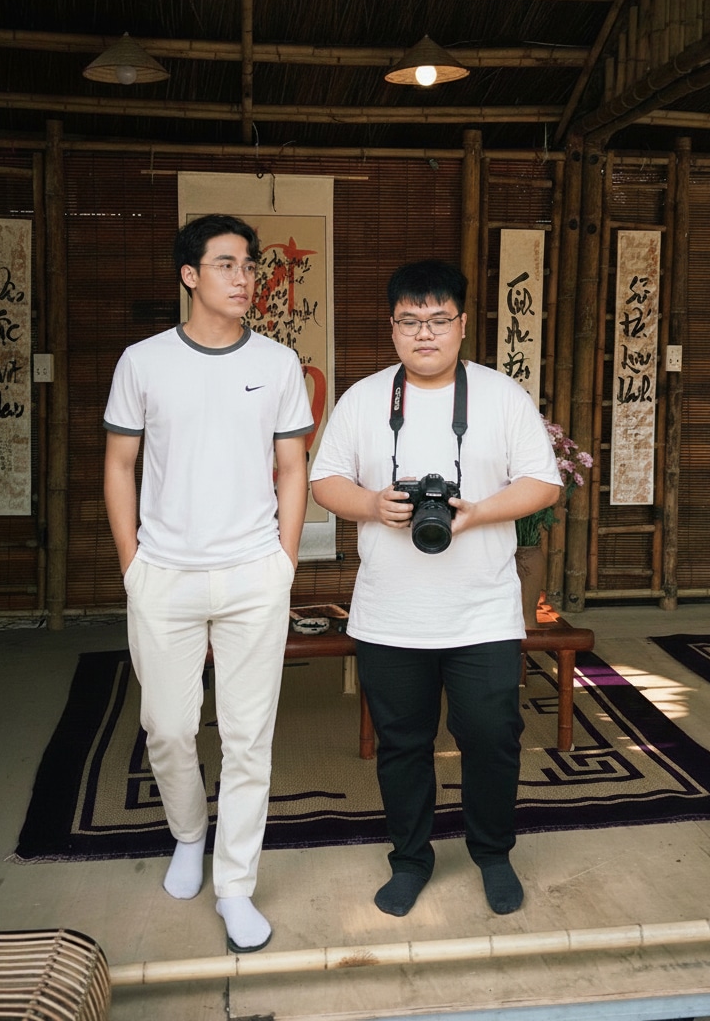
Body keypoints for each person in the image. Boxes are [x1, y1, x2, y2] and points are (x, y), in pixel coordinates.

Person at [310, 259, 561, 918]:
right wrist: (372, 504)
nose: (425, 332)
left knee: (492, 737)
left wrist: (478, 513)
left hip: (482, 613)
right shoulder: (363, 398)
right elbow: (324, 481)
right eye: (410, 320)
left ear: (462, 324)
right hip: (390, 615)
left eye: (438, 319)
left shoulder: (501, 396)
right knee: (402, 746)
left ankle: (493, 853)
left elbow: (544, 483)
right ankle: (410, 859)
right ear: (392, 327)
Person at [103, 213, 312, 954]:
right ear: (189, 275)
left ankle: (235, 886)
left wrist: (284, 562)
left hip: (255, 574)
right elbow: (119, 465)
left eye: (249, 265)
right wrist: (133, 566)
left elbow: (293, 467)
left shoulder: (279, 364)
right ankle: (189, 833)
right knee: (168, 727)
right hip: (165, 575)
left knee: (250, 738)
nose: (244, 278)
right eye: (226, 264)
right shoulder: (143, 362)